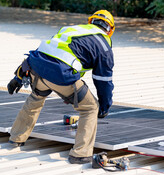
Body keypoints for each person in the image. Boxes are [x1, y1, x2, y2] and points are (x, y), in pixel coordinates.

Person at [6, 10, 115, 164]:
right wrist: (104, 107)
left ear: (91, 21)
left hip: (37, 69)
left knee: (36, 97)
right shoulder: (104, 45)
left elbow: (44, 53)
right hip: (61, 75)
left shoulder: (71, 29)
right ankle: (80, 154)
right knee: (90, 108)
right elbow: (103, 81)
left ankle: (16, 138)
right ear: (110, 30)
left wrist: (18, 76)